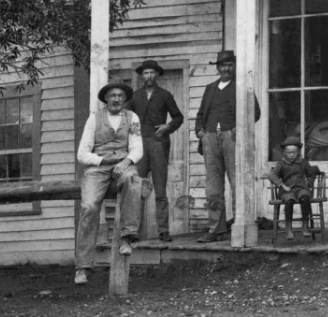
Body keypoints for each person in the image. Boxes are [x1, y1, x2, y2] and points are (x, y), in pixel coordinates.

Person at [73, 81, 143, 285]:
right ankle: (82, 267)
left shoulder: (132, 118)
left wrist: (126, 161)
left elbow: (137, 148)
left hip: (123, 163)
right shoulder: (94, 119)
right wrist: (102, 161)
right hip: (98, 166)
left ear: (124, 99)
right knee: (89, 206)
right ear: (106, 98)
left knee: (133, 180)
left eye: (120, 95)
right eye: (112, 95)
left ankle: (127, 237)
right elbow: (82, 154)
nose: (116, 99)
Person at [195, 50, 261, 242]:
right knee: (212, 187)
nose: (226, 68)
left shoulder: (242, 86)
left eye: (230, 64)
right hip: (210, 138)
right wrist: (201, 131)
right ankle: (216, 229)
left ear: (235, 66)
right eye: (223, 65)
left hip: (232, 138)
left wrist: (238, 128)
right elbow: (200, 114)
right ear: (217, 68)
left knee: (236, 183)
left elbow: (255, 112)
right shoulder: (210, 88)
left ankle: (238, 225)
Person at [125, 59, 183, 242]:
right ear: (142, 76)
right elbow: (126, 119)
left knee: (160, 191)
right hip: (139, 147)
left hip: (158, 144)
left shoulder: (165, 95)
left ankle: (163, 230)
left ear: (157, 75)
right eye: (146, 73)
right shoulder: (134, 96)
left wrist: (167, 127)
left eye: (152, 73)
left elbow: (178, 117)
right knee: (138, 189)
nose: (149, 76)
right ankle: (135, 231)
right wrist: (133, 135)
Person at [266, 136, 322, 240]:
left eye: (294, 152)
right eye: (289, 152)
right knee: (290, 201)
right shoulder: (281, 163)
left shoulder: (303, 162)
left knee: (305, 199)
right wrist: (282, 185)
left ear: (298, 152)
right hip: (287, 190)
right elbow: (271, 175)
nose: (291, 155)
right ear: (284, 153)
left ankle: (305, 226)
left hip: (301, 188)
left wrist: (309, 183)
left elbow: (311, 173)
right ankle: (289, 229)